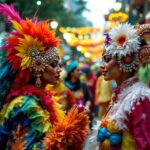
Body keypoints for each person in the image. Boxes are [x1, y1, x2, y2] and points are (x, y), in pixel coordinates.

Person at [0, 4, 89, 149]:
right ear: (37, 68)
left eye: (59, 64)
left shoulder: (45, 98)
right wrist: (67, 133)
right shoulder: (25, 105)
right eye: (53, 64)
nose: (59, 69)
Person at [91, 23, 150, 150]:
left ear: (126, 59)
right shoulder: (121, 95)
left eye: (107, 59)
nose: (102, 65)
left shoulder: (139, 97)